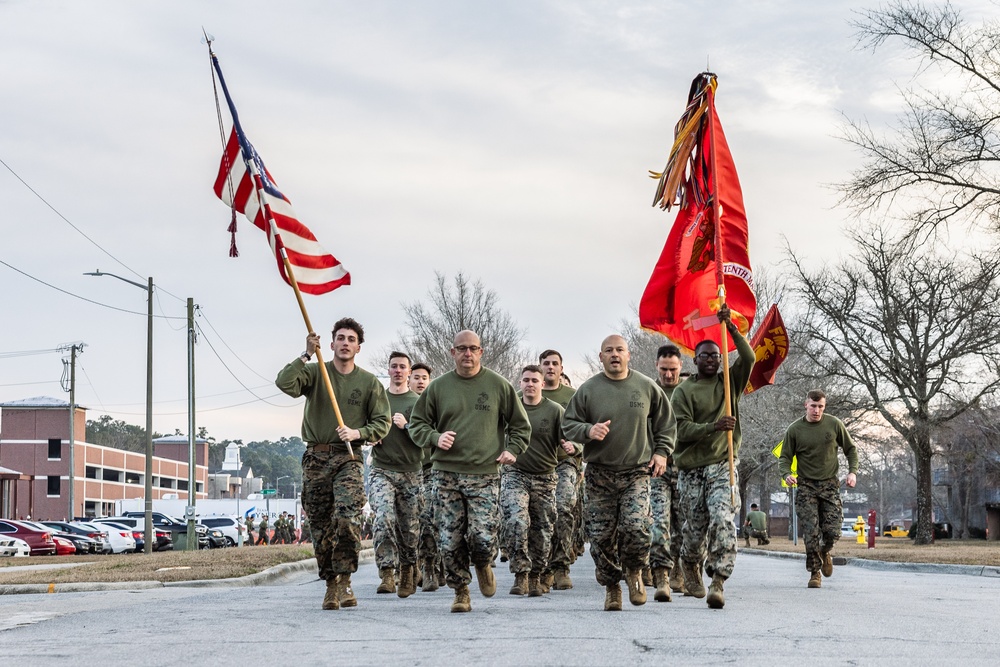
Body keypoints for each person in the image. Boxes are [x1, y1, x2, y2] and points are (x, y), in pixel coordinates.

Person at [408, 330, 531, 613]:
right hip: (446, 474)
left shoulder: (499, 386)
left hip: (485, 474)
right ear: (452, 352)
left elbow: (521, 426)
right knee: (449, 540)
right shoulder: (437, 388)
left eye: (473, 348)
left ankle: (484, 563)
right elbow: (417, 424)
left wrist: (513, 449)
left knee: (483, 537)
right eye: (461, 349)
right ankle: (461, 591)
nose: (467, 354)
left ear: (481, 352)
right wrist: (435, 438)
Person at [276, 317, 391, 611]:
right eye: (340, 338)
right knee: (320, 524)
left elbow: (382, 422)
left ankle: (345, 579)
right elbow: (284, 383)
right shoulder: (316, 373)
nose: (345, 343)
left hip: (348, 457)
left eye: (351, 339)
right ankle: (330, 583)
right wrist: (305, 354)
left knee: (347, 517)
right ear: (331, 344)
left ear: (358, 347)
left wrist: (358, 433)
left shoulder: (368, 383)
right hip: (316, 457)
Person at [562, 334, 676, 611]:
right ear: (600, 357)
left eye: (620, 350)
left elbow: (666, 425)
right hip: (599, 475)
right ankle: (612, 587)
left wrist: (661, 452)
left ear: (629, 354)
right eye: (609, 351)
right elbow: (568, 425)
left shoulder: (646, 387)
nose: (615, 355)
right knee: (600, 538)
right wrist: (588, 431)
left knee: (637, 529)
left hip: (636, 472)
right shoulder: (588, 390)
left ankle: (635, 573)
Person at [672, 305, 755, 609]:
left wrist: (731, 326)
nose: (710, 360)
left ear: (721, 361)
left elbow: (750, 358)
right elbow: (681, 430)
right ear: (694, 360)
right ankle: (689, 562)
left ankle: (718, 581)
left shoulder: (729, 383)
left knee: (722, 520)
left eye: (715, 356)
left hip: (723, 463)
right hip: (692, 467)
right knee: (695, 527)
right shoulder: (684, 391)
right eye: (705, 356)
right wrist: (713, 426)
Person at [501, 365, 569, 597]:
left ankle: (536, 576)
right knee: (516, 521)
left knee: (542, 529)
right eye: (526, 380)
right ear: (519, 383)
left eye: (534, 381)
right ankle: (521, 574)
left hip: (545, 476)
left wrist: (572, 445)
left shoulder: (555, 410)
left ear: (542, 384)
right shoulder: (510, 409)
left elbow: (570, 436)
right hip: (515, 473)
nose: (530, 384)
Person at [780, 390, 858, 588]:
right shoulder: (795, 429)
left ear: (825, 406)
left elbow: (850, 449)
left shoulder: (834, 424)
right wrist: (786, 474)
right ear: (806, 405)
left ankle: (826, 550)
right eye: (813, 406)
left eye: (820, 406)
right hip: (806, 486)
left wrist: (852, 472)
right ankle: (815, 572)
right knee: (811, 531)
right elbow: (785, 457)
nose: (816, 410)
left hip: (830, 484)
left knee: (833, 531)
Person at [369, 351, 423, 598]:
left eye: (403, 367)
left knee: (409, 528)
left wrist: (406, 426)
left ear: (408, 372)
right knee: (383, 517)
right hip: (382, 469)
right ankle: (387, 572)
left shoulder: (418, 402)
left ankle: (409, 567)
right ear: (388, 370)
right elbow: (364, 425)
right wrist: (372, 434)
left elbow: (427, 438)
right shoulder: (378, 398)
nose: (398, 370)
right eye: (394, 366)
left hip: (411, 472)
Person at [538, 349, 581, 591]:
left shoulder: (573, 396)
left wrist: (576, 446)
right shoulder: (528, 393)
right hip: (537, 464)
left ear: (562, 368)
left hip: (565, 461)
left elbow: (585, 427)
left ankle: (562, 566)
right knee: (542, 515)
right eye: (546, 363)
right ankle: (542, 568)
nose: (551, 367)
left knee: (564, 507)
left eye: (555, 363)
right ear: (540, 367)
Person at [647, 344, 685, 601]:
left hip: (685, 467)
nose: (668, 375)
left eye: (672, 370)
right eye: (663, 369)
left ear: (680, 367)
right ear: (656, 367)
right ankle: (661, 573)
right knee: (658, 523)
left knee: (684, 525)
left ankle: (680, 569)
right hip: (656, 468)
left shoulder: (688, 392)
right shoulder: (649, 391)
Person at [409, 362, 444, 592]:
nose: (421, 381)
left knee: (431, 519)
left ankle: (432, 567)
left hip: (431, 469)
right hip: (406, 470)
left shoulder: (437, 406)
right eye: (416, 377)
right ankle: (411, 568)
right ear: (408, 380)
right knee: (408, 523)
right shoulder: (400, 404)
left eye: (424, 377)